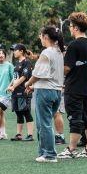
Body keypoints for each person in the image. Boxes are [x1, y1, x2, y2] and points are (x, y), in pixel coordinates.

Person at [58, 12, 87, 159]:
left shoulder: (74, 45)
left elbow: (67, 68)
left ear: (75, 27)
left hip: (74, 88)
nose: (69, 28)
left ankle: (71, 149)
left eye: (70, 26)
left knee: (75, 119)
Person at [25, 26, 65, 163]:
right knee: (45, 123)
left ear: (46, 37)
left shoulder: (47, 52)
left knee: (44, 124)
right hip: (56, 91)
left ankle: (49, 154)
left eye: (40, 36)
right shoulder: (59, 52)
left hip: (45, 91)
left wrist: (28, 84)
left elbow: (37, 74)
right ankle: (44, 152)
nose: (40, 38)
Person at [8, 44, 34, 142]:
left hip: (24, 91)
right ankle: (19, 134)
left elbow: (24, 77)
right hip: (15, 92)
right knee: (18, 112)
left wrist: (13, 86)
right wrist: (10, 85)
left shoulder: (26, 62)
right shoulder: (17, 63)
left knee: (26, 112)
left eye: (15, 50)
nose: (14, 52)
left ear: (21, 51)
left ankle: (30, 135)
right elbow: (15, 77)